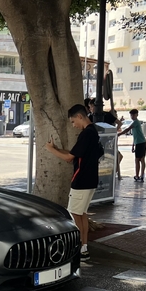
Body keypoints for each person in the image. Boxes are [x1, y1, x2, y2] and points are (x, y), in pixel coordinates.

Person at [45, 104, 102, 261]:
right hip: (90, 180)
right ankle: (83, 247)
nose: (73, 125)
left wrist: (50, 150)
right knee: (81, 214)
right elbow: (75, 154)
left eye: (72, 121)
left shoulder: (86, 135)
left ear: (80, 116)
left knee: (75, 215)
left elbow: (69, 158)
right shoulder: (93, 133)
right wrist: (57, 148)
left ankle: (80, 249)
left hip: (81, 181)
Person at [88, 98, 124, 179]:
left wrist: (115, 133)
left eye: (90, 107)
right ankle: (112, 173)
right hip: (109, 141)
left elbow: (119, 123)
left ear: (94, 106)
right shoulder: (107, 115)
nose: (90, 109)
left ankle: (112, 173)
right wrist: (115, 133)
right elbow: (120, 123)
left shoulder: (91, 117)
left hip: (102, 142)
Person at [118, 109, 146, 182]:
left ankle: (141, 174)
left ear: (137, 115)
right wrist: (133, 145)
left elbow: (127, 129)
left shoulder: (136, 122)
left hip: (142, 142)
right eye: (131, 115)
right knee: (137, 159)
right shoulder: (134, 123)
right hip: (138, 143)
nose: (132, 116)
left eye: (133, 115)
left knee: (141, 159)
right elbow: (135, 136)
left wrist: (119, 134)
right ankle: (137, 175)